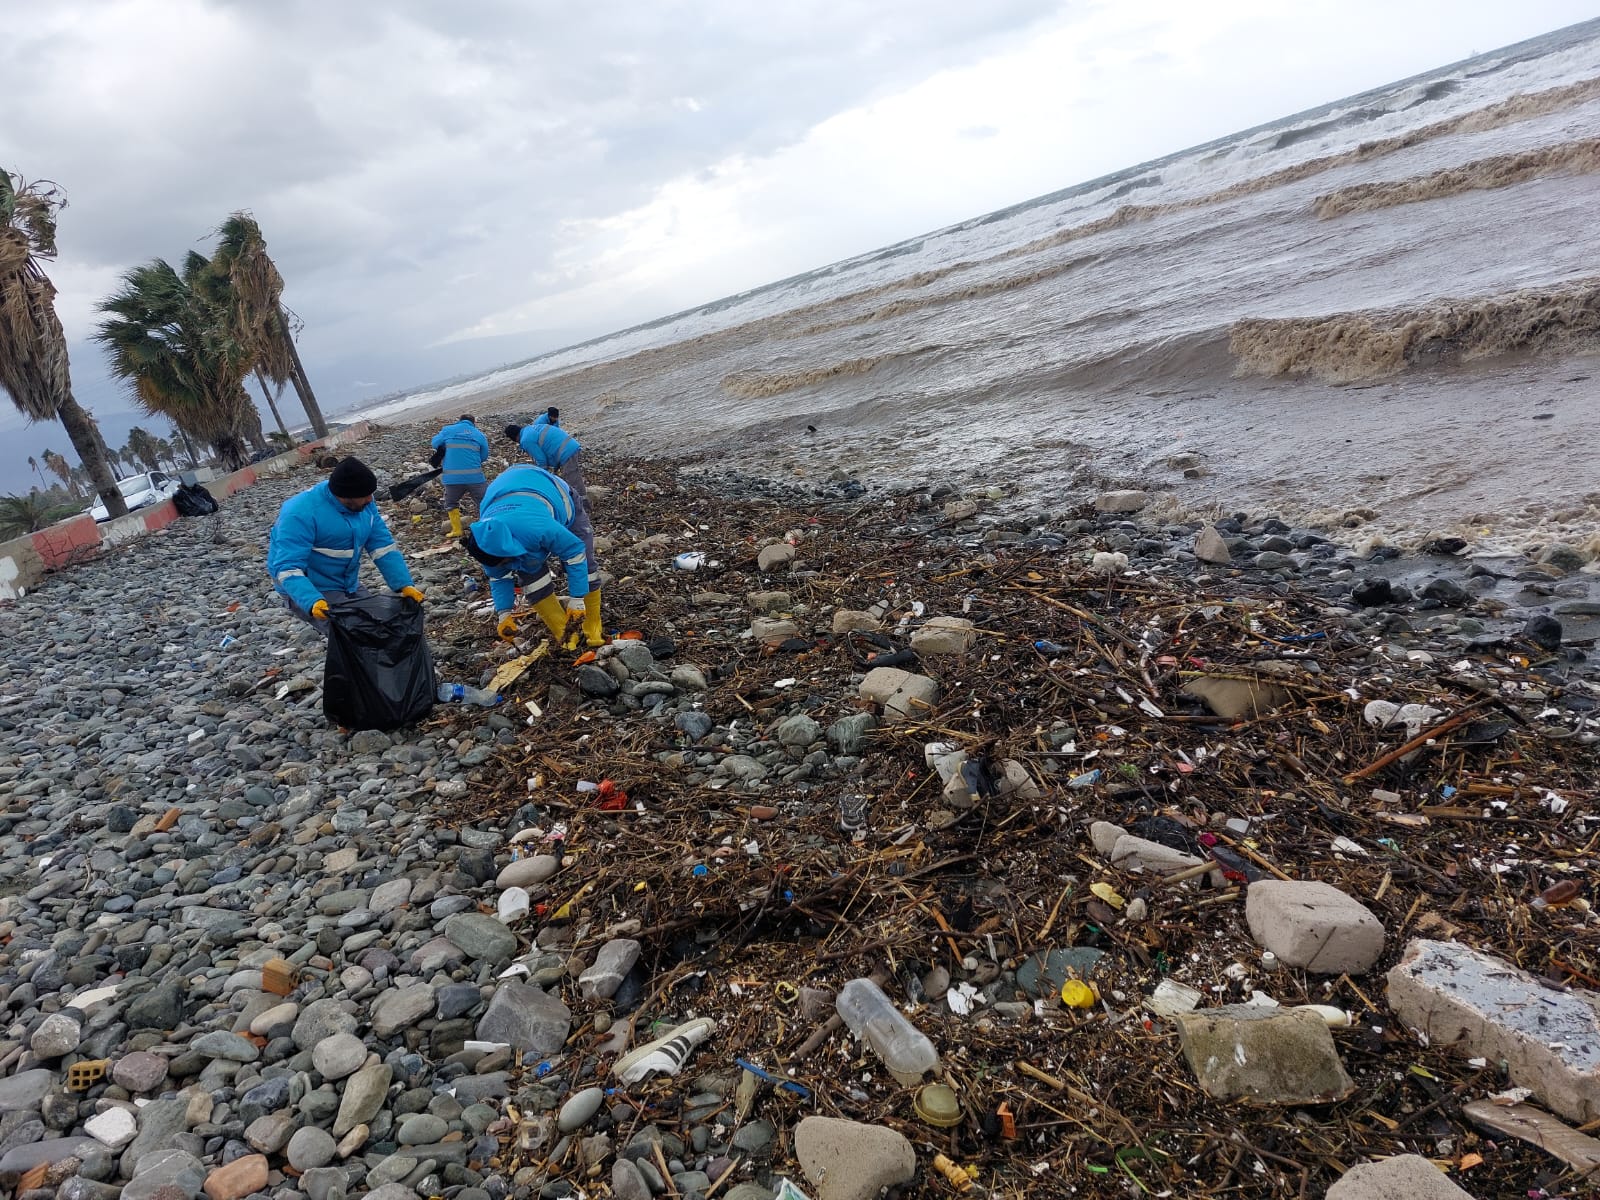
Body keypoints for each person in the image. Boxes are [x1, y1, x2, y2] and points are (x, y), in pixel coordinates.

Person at [267, 457, 423, 631]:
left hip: (346, 582)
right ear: (344, 495)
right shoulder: (299, 514)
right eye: (365, 496)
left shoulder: (363, 505)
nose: (371, 500)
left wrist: (403, 584)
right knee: (355, 635)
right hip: (310, 587)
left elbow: (382, 546)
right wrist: (312, 600)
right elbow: (287, 566)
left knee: (381, 625)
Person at [462, 463, 603, 648]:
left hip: (555, 494)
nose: (508, 566)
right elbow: (498, 577)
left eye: (506, 561)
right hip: (509, 494)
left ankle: (592, 626)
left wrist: (576, 599)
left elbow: (575, 552)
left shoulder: (537, 528)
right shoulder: (484, 543)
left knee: (586, 566)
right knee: (531, 577)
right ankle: (566, 636)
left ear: (508, 548)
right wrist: (504, 614)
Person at [503, 408, 595, 566]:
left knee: (572, 479)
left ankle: (583, 505)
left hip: (566, 451)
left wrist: (541, 478)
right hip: (569, 445)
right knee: (569, 478)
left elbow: (541, 461)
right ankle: (578, 502)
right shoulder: (532, 427)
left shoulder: (525, 440)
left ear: (514, 438)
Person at [429, 413, 491, 538]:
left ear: (459, 421)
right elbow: (484, 456)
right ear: (474, 423)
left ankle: (457, 530)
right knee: (484, 502)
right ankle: (487, 527)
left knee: (451, 503)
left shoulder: (448, 430)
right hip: (475, 477)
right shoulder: (479, 434)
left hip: (452, 478)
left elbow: (434, 443)